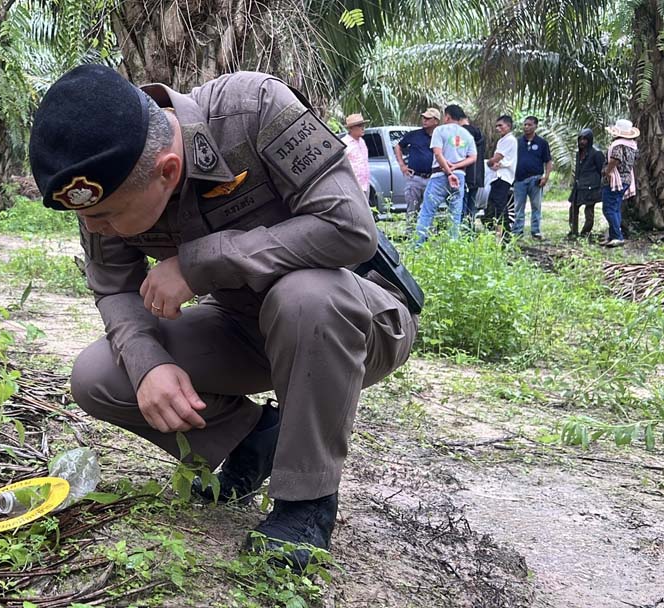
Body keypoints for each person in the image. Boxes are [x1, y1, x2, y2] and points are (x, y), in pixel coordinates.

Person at [28, 65, 418, 572]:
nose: (94, 227)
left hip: (355, 319)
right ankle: (254, 437)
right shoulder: (109, 182)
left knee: (305, 295)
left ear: (167, 171)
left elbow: (349, 228)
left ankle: (306, 504)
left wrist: (199, 263)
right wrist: (148, 366)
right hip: (243, 326)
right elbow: (113, 287)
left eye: (104, 218)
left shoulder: (253, 109)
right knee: (100, 377)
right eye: (85, 218)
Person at [415, 104, 477, 244]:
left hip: (440, 176)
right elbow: (473, 158)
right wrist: (456, 166)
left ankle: (417, 245)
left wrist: (449, 172)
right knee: (455, 214)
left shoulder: (440, 130)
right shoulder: (467, 135)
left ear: (447, 116)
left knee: (427, 212)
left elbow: (437, 153)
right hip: (460, 176)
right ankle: (452, 245)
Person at [394, 108, 441, 229]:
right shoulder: (414, 135)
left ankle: (427, 234)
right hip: (415, 177)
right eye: (423, 118)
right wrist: (402, 165)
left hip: (432, 178)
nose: (424, 121)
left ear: (436, 121)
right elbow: (398, 146)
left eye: (428, 118)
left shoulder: (440, 136)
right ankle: (410, 234)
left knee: (430, 207)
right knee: (412, 208)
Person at [512, 116, 553, 239]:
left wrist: (546, 177)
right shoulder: (517, 142)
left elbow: (548, 161)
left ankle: (535, 231)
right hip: (519, 179)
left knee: (536, 206)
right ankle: (518, 231)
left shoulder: (542, 143)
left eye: (529, 125)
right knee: (518, 206)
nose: (526, 127)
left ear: (536, 126)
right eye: (525, 125)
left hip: (536, 179)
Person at [601, 118, 639, 247]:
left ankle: (617, 236)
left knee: (608, 209)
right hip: (627, 179)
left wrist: (607, 171)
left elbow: (615, 159)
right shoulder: (632, 145)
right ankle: (613, 235)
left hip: (615, 180)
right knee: (615, 208)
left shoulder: (618, 145)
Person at [483, 115, 518, 236]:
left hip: (503, 176)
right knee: (493, 205)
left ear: (508, 126)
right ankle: (497, 232)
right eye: (496, 126)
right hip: (498, 175)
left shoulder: (509, 140)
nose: (498, 128)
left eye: (501, 126)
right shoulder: (503, 140)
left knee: (500, 206)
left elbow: (498, 157)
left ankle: (505, 234)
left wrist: (489, 162)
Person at [567, 128, 605, 239]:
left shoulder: (596, 153)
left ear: (590, 140)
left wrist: (598, 185)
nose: (582, 142)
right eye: (580, 139)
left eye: (585, 139)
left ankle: (585, 233)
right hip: (579, 186)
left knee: (589, 211)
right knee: (573, 208)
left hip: (591, 187)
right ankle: (573, 232)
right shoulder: (578, 154)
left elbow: (601, 170)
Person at [458, 114, 486, 230]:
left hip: (465, 173)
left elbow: (459, 152)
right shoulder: (480, 135)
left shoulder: (461, 133)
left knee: (460, 204)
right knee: (472, 205)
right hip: (477, 175)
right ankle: (470, 228)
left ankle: (461, 228)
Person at [342, 113, 371, 196]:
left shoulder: (362, 142)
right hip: (352, 186)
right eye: (359, 126)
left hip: (365, 184)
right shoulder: (344, 143)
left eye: (363, 125)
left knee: (365, 208)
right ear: (351, 128)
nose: (363, 128)